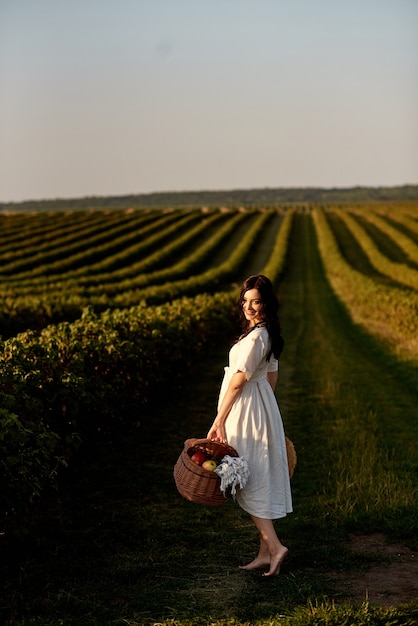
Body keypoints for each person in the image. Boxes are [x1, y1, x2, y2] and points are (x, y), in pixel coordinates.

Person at [207, 274, 292, 577]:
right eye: (245, 301)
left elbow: (238, 381)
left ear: (267, 303)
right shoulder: (265, 334)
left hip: (246, 409)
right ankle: (264, 554)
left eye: (256, 301)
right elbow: (272, 377)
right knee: (257, 475)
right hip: (259, 406)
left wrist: (220, 418)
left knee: (248, 478)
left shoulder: (257, 338)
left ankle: (275, 546)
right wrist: (266, 409)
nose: (249, 307)